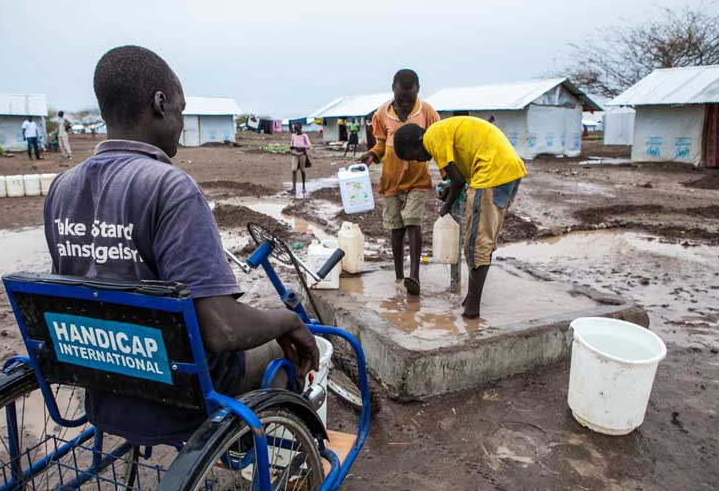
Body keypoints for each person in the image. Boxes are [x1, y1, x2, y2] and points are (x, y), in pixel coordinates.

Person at [43, 45, 319, 446]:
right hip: (180, 397)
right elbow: (222, 330)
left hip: (105, 388)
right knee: (286, 349)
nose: (182, 122)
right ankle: (269, 450)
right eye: (181, 110)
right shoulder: (169, 186)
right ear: (159, 103)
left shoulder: (62, 188)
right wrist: (289, 321)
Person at [393, 117, 527, 319]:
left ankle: (472, 309)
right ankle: (470, 299)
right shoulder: (441, 130)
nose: (419, 161)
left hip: (491, 173)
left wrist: (445, 207)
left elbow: (456, 181)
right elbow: (459, 177)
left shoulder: (431, 137)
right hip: (508, 170)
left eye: (414, 157)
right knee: (485, 241)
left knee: (476, 243)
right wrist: (450, 188)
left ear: (416, 142)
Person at [359, 69, 440, 295]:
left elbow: (437, 144)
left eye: (409, 100)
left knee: (413, 222)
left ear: (418, 91)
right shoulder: (381, 114)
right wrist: (373, 155)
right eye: (400, 99)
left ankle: (414, 276)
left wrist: (446, 174)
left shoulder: (428, 112)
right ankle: (398, 276)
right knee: (396, 228)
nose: (404, 104)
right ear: (393, 90)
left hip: (417, 177)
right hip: (391, 179)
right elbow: (381, 144)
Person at [290, 122, 311, 195]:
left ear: (300, 128)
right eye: (295, 128)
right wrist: (293, 149)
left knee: (302, 170)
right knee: (294, 170)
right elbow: (291, 144)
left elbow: (309, 145)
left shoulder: (304, 136)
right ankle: (294, 188)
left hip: (302, 155)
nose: (296, 130)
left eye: (297, 128)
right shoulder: (293, 135)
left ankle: (303, 186)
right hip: (294, 155)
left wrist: (302, 148)